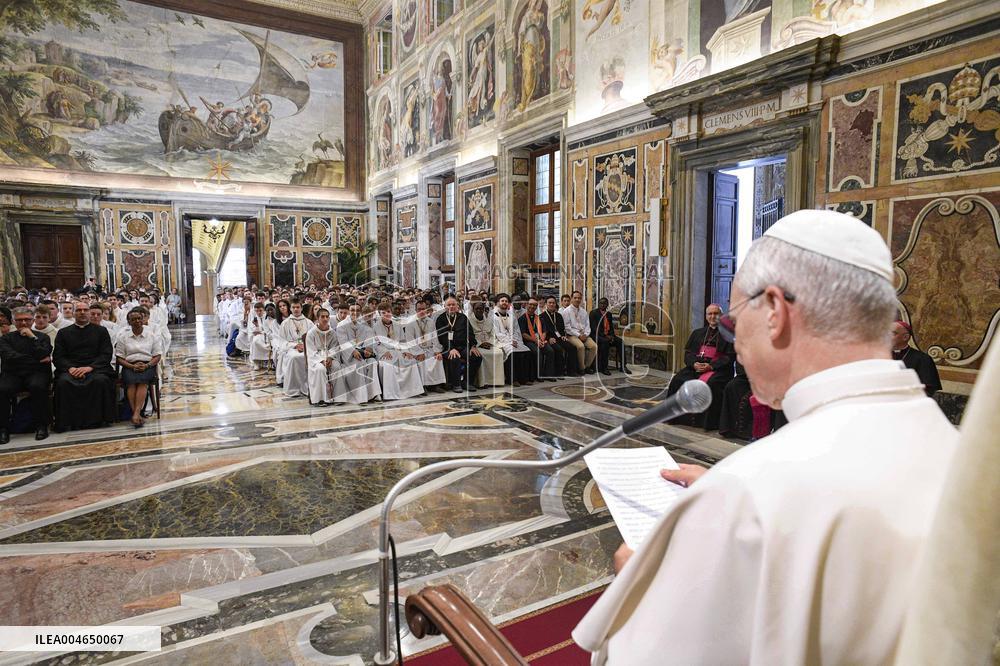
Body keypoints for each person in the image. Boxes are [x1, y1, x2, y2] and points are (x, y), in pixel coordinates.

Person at [574, 209, 960, 665]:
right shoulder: (956, 447)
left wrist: (633, 583)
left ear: (775, 312)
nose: (733, 342)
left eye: (734, 322)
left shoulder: (747, 491)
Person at [664, 303, 735, 430]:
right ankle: (674, 417)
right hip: (697, 367)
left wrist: (711, 366)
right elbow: (689, 353)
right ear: (706, 316)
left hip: (718, 370)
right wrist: (694, 364)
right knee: (678, 380)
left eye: (716, 313)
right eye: (710, 314)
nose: (713, 316)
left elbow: (729, 357)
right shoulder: (698, 333)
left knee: (711, 384)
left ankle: (707, 423)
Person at [52, 301, 116, 431]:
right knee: (63, 383)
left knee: (101, 381)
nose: (82, 313)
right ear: (74, 313)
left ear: (89, 313)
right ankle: (68, 421)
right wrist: (71, 368)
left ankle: (98, 420)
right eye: (79, 310)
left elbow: (106, 354)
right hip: (71, 369)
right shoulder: (63, 333)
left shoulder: (101, 331)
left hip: (95, 368)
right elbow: (58, 356)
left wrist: (90, 367)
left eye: (85, 310)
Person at [0, 307, 52, 442]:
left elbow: (44, 353)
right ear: (13, 321)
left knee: (38, 386)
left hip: (36, 373)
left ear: (32, 320)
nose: (23, 323)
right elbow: (10, 357)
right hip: (13, 373)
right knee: (3, 389)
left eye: (27, 320)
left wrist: (32, 337)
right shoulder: (6, 339)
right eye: (19, 320)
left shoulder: (41, 337)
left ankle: (41, 426)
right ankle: (3, 429)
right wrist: (36, 360)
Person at [115, 309, 162, 427]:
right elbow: (119, 357)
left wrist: (147, 365)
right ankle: (137, 414)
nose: (137, 321)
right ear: (129, 322)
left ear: (143, 320)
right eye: (133, 319)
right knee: (131, 383)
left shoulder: (151, 335)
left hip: (147, 364)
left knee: (142, 382)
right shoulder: (123, 337)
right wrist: (132, 366)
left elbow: (157, 355)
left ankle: (135, 414)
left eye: (139, 318)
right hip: (129, 365)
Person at [717, 362, 787, 441]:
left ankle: (774, 432)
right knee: (732, 385)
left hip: (775, 379)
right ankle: (734, 429)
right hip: (752, 377)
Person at [372, 305, 424, 399]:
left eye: (388, 311)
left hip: (398, 351)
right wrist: (384, 351)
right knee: (388, 365)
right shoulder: (375, 327)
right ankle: (390, 394)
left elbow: (403, 341)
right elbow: (375, 344)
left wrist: (406, 351)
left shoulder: (397, 325)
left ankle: (412, 391)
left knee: (411, 361)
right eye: (383, 313)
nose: (386, 314)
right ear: (379, 314)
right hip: (385, 352)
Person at [435, 295, 482, 393]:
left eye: (453, 304)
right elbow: (442, 337)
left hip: (462, 346)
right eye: (449, 305)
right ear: (445, 306)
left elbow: (470, 332)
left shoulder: (463, 317)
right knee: (454, 357)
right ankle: (456, 384)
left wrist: (473, 346)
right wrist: (450, 348)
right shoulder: (440, 319)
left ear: (457, 306)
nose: (451, 307)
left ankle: (467, 382)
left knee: (476, 356)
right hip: (446, 347)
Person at [337, 304, 381, 404]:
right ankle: (360, 396)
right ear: (349, 311)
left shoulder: (362, 325)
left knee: (372, 362)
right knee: (359, 364)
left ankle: (373, 394)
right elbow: (343, 342)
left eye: (357, 310)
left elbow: (368, 339)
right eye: (352, 310)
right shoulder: (342, 325)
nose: (355, 313)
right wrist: (353, 351)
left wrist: (368, 348)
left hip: (362, 352)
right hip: (348, 354)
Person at [305, 308, 347, 406]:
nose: (325, 319)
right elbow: (311, 351)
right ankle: (320, 399)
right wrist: (321, 360)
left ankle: (338, 397)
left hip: (329, 357)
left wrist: (330, 357)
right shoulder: (311, 333)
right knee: (320, 370)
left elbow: (335, 348)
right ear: (317, 318)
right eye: (322, 317)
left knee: (336, 367)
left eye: (327, 316)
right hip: (316, 359)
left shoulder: (332, 332)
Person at [403, 300, 448, 392]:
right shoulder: (410, 323)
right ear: (415, 310)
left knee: (437, 358)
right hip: (416, 350)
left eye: (423, 309)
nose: (421, 311)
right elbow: (410, 341)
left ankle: (435, 385)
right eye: (419, 309)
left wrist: (437, 351)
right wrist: (419, 352)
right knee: (421, 361)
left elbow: (434, 337)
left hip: (429, 349)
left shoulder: (430, 321)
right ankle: (422, 386)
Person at [891, 320, 941, 396]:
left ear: (905, 337)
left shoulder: (923, 359)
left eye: (892, 333)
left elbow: (928, 390)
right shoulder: (880, 357)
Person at [493, 294, 531, 386]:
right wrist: (510, 341)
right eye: (502, 301)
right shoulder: (493, 315)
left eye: (506, 301)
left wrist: (516, 341)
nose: (504, 303)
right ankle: (512, 379)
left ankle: (524, 379)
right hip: (500, 341)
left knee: (526, 351)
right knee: (512, 353)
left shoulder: (511, 315)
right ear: (498, 303)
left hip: (514, 340)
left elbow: (516, 330)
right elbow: (497, 333)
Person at [279, 299, 314, 397]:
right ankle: (294, 388)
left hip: (307, 348)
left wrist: (306, 346)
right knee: (294, 357)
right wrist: (294, 345)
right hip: (291, 348)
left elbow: (313, 339)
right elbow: (281, 341)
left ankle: (307, 387)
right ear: (290, 309)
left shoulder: (309, 322)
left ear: (302, 308)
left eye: (298, 307)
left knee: (308, 357)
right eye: (293, 307)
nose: (296, 309)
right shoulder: (285, 323)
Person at [519, 297, 556, 381]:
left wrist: (542, 340)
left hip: (541, 340)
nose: (532, 306)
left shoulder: (539, 318)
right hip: (529, 341)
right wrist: (536, 341)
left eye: (535, 305)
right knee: (538, 352)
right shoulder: (522, 318)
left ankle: (548, 374)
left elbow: (544, 331)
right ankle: (539, 375)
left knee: (550, 351)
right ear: (527, 305)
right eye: (531, 304)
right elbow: (523, 334)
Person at [590, 297, 629, 375]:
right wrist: (605, 336)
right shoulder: (593, 313)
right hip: (597, 336)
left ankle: (623, 366)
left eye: (604, 303)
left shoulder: (609, 314)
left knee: (620, 341)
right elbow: (594, 328)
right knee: (605, 342)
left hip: (608, 336)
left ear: (607, 304)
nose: (602, 305)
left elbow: (611, 327)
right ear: (599, 304)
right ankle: (604, 368)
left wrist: (611, 336)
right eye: (601, 303)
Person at [561, 291, 598, 374]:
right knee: (581, 346)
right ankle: (581, 368)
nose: (577, 299)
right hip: (572, 335)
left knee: (594, 346)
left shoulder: (583, 311)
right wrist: (578, 335)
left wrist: (586, 334)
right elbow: (567, 328)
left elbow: (588, 325)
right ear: (571, 299)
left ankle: (587, 366)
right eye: (575, 298)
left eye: (579, 298)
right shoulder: (566, 311)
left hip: (584, 334)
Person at [468, 299, 503, 387]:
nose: (479, 310)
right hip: (476, 345)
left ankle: (496, 381)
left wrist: (489, 342)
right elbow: (469, 335)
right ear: (473, 309)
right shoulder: (469, 320)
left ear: (484, 309)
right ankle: (483, 381)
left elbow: (493, 333)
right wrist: (480, 343)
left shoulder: (488, 319)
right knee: (481, 354)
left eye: (481, 309)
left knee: (498, 352)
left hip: (488, 343)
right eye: (477, 309)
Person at [540, 295, 575, 376]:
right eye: (550, 303)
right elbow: (541, 331)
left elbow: (562, 328)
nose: (552, 304)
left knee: (572, 347)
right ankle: (558, 372)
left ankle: (571, 371)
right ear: (546, 304)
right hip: (549, 339)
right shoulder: (542, 316)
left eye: (553, 303)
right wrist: (548, 338)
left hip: (559, 338)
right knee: (558, 349)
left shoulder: (558, 315)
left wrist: (563, 335)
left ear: (556, 304)